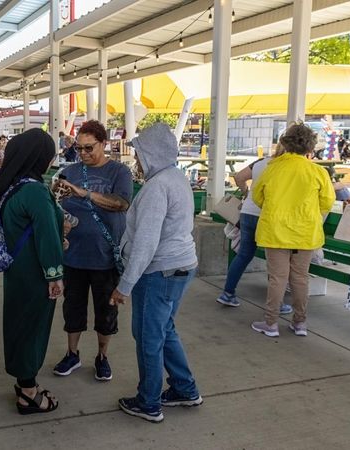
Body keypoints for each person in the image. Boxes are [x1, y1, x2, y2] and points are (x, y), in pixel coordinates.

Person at [109, 123, 201, 424]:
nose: (136, 159)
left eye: (139, 153)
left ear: (151, 154)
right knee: (165, 330)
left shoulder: (156, 187)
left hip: (158, 272)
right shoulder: (176, 177)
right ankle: (184, 389)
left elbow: (146, 243)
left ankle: (148, 402)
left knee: (149, 337)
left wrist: (124, 285)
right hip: (180, 266)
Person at [0, 128, 66, 415]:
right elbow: (48, 238)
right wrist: (55, 276)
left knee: (18, 324)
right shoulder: (36, 191)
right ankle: (28, 394)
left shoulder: (12, 187)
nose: (51, 161)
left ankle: (24, 381)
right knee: (33, 328)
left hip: (16, 272)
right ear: (38, 158)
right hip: (36, 274)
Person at [51, 120, 132, 382]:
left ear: (104, 143)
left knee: (105, 313)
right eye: (79, 148)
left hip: (105, 257)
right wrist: (57, 197)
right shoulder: (71, 171)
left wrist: (84, 193)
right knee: (72, 309)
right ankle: (72, 353)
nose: (83, 154)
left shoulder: (119, 172)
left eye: (89, 148)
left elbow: (121, 204)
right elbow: (58, 204)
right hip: (73, 255)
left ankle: (102, 356)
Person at [249, 123, 335, 338]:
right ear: (311, 147)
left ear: (286, 143)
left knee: (277, 278)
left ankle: (270, 323)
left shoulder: (273, 168)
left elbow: (258, 197)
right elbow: (327, 202)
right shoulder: (318, 171)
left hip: (275, 231)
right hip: (306, 233)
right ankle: (300, 323)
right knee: (300, 278)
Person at [216, 145, 293, 315]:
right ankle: (277, 303)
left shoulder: (260, 163)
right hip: (268, 215)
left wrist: (247, 193)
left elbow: (238, 177)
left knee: (244, 255)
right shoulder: (286, 167)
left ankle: (228, 293)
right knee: (275, 260)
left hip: (248, 212)